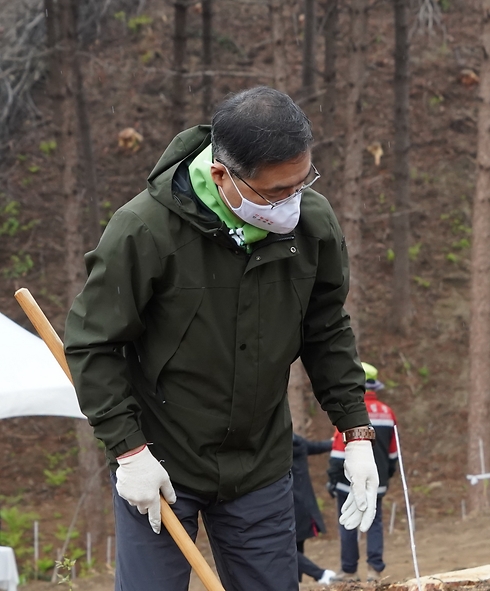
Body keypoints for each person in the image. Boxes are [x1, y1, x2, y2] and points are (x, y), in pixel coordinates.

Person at [64, 86, 382, 591]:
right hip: (161, 464)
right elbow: (92, 345)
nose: (291, 203)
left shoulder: (312, 226)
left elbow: (326, 331)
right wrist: (129, 452)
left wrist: (356, 431)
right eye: (275, 192)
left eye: (302, 183)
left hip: (260, 466)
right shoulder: (144, 231)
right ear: (221, 175)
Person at [328, 362, 398, 582]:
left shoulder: (349, 413)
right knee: (374, 522)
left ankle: (349, 570)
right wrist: (387, 475)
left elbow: (339, 452)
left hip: (347, 481)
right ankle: (374, 570)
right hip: (378, 479)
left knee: (348, 522)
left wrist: (332, 478)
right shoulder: (388, 413)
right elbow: (393, 452)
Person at [292, 433, 336, 585]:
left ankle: (321, 574)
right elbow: (316, 447)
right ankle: (296, 584)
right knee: (295, 545)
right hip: (304, 503)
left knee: (284, 547)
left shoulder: (275, 446)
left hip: (287, 504)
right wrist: (333, 442)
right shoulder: (298, 442)